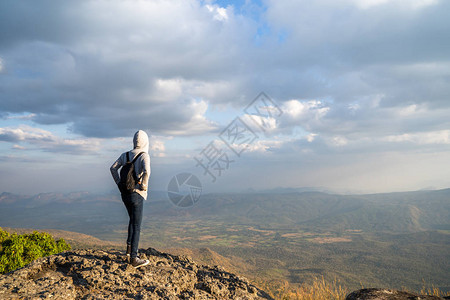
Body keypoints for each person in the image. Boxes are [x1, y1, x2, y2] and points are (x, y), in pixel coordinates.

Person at [110, 130, 151, 268]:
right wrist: (143, 185)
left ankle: (128, 250)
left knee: (132, 220)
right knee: (137, 225)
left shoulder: (125, 155)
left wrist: (119, 183)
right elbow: (147, 171)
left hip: (125, 194)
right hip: (136, 194)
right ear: (145, 141)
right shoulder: (144, 155)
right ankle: (134, 258)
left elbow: (113, 168)